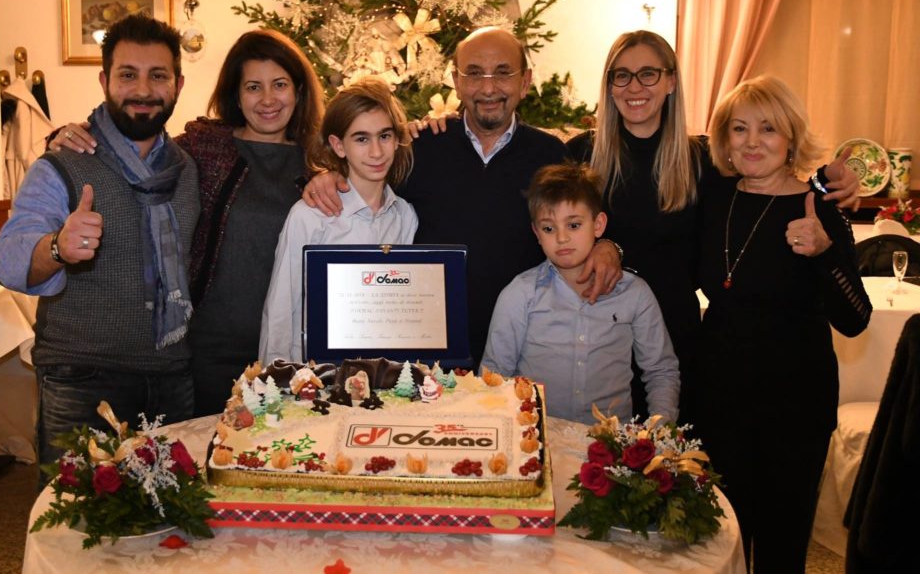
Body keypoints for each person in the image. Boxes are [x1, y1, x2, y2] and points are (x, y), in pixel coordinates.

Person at [565, 30, 860, 421]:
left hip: (679, 341)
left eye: (648, 73)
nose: (635, 86)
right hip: (598, 338)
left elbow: (772, 183)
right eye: (622, 75)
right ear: (609, 85)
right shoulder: (580, 155)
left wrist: (825, 182)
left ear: (671, 81)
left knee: (672, 454)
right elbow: (544, 224)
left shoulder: (702, 161)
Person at [303, 28, 622, 367]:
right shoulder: (419, 148)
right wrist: (331, 175)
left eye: (503, 73)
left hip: (526, 347)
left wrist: (608, 246)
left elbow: (582, 223)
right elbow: (367, 179)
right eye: (474, 73)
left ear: (525, 81)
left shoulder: (551, 155)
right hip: (430, 354)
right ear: (455, 81)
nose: (488, 88)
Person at [50, 29, 326, 417]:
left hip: (293, 352)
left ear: (298, 90)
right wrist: (66, 136)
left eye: (279, 84)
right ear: (236, 94)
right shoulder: (204, 147)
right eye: (253, 86)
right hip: (208, 351)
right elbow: (134, 151)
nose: (267, 99)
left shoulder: (322, 162)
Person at [0, 15, 199, 465]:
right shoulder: (63, 164)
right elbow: (7, 259)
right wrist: (57, 247)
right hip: (81, 380)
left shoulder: (188, 169)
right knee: (73, 508)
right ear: (105, 81)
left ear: (178, 85)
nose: (143, 90)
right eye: (127, 75)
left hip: (173, 378)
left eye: (157, 76)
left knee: (171, 509)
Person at [696, 75, 871, 571]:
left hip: (794, 408)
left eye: (768, 128)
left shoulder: (819, 208)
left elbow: (856, 319)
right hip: (719, 399)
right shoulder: (714, 196)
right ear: (725, 138)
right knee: (719, 542)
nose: (753, 142)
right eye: (740, 129)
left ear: (791, 137)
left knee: (781, 549)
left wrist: (824, 252)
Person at [481, 162, 679, 423]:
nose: (562, 238)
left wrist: (659, 430)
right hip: (538, 438)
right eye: (549, 228)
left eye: (573, 225)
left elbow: (661, 371)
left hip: (610, 441)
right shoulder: (520, 294)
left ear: (598, 224)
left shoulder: (634, 293)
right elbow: (494, 376)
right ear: (536, 233)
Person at [259, 77, 418, 364]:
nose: (376, 152)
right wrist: (276, 377)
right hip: (314, 372)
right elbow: (281, 307)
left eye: (384, 136)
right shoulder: (309, 216)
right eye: (361, 139)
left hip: (381, 370)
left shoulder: (404, 216)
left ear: (397, 140)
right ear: (338, 145)